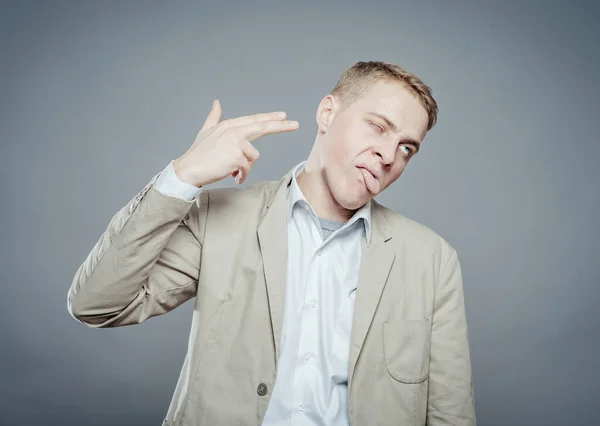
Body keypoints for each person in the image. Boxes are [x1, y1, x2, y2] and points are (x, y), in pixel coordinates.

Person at [67, 61, 476, 426]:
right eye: (378, 126)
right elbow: (96, 305)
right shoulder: (218, 218)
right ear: (328, 113)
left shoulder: (432, 260)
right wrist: (184, 175)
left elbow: (450, 412)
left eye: (407, 147)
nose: (389, 154)